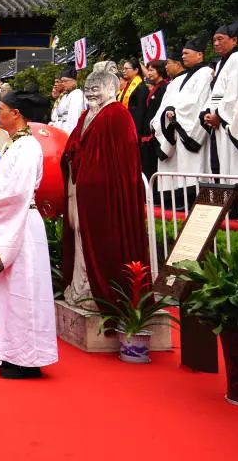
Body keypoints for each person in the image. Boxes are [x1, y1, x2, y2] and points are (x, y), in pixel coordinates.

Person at [0, 89, 58, 379]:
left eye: (1, 110)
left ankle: (27, 358)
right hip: (11, 219)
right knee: (9, 291)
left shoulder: (27, 147)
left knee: (25, 290)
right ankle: (6, 351)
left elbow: (16, 193)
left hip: (20, 221)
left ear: (16, 114)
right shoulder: (14, 144)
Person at [61, 62, 149, 313]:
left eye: (96, 88)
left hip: (106, 197)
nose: (90, 93)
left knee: (100, 244)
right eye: (88, 88)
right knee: (80, 239)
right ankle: (81, 288)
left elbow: (121, 162)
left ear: (110, 89)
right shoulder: (87, 115)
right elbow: (74, 144)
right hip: (82, 190)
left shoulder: (117, 115)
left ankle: (99, 293)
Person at [151, 36, 212, 207]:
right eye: (182, 53)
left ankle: (196, 201)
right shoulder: (184, 78)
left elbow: (196, 101)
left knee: (196, 167)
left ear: (199, 55)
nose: (183, 56)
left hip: (192, 127)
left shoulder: (206, 73)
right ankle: (182, 200)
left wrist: (176, 113)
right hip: (178, 125)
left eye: (186, 53)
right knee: (182, 169)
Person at [201, 20, 238, 178]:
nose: (216, 44)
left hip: (230, 121)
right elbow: (215, 93)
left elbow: (233, 92)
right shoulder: (219, 64)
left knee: (233, 166)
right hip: (219, 124)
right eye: (214, 40)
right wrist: (206, 113)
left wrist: (218, 115)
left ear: (234, 40)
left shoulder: (237, 57)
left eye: (220, 39)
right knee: (223, 168)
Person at [140, 60, 169, 180]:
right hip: (149, 132)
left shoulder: (164, 88)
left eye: (152, 70)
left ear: (160, 71)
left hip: (156, 134)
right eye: (148, 70)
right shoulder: (156, 87)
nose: (149, 73)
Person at [49, 66, 85, 134]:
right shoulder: (64, 96)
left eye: (65, 81)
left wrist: (70, 135)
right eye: (62, 81)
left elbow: (74, 119)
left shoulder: (77, 94)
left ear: (74, 81)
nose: (63, 84)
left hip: (69, 133)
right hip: (60, 132)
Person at [118, 59, 148, 133]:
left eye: (126, 69)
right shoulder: (126, 86)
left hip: (134, 126)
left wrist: (136, 131)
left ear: (136, 70)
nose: (123, 71)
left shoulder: (141, 87)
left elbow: (140, 111)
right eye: (123, 69)